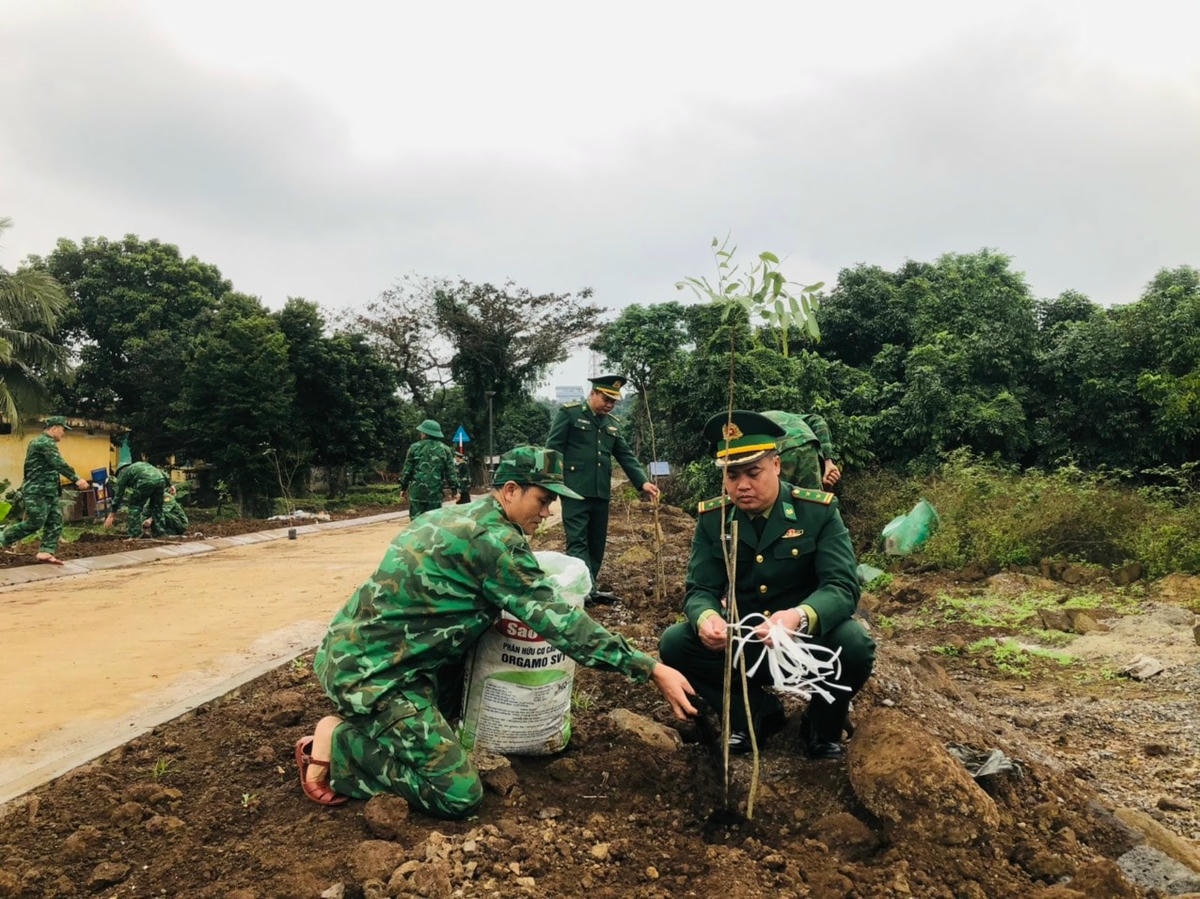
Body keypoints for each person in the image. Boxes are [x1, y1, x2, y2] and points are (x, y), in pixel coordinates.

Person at [298, 445, 696, 816]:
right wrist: (650, 668)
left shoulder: (446, 516)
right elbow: (565, 625)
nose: (547, 512)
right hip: (378, 677)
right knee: (458, 795)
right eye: (542, 500)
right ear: (510, 490)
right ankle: (340, 750)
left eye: (552, 503)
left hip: (356, 654)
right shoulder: (496, 543)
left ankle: (387, 731)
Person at [658, 410, 875, 759]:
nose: (742, 485)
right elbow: (699, 589)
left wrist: (799, 617)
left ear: (776, 464)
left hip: (803, 643)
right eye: (732, 475)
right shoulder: (715, 519)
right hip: (747, 643)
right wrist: (706, 619)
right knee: (675, 643)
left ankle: (822, 725)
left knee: (854, 643)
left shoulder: (816, 512)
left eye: (753, 473)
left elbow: (842, 586)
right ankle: (755, 714)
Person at [545, 375, 661, 603]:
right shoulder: (570, 414)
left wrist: (643, 482)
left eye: (613, 401)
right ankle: (583, 590)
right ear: (593, 393)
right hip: (574, 491)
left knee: (597, 543)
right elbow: (552, 449)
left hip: (600, 493)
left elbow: (625, 455)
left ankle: (591, 587)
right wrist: (547, 485)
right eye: (606, 399)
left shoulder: (612, 425)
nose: (610, 404)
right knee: (578, 542)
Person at [0, 415, 91, 564]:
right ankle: (2, 538)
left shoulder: (46, 443)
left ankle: (45, 552)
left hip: (49, 492)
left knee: (55, 521)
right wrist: (77, 479)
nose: (63, 433)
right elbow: (58, 463)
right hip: (37, 491)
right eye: (62, 429)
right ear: (54, 428)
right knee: (36, 522)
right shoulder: (43, 443)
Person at [763, 410, 842, 490]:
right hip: (808, 444)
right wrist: (827, 461)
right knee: (811, 498)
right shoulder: (782, 416)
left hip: (781, 452)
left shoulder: (753, 422)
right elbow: (818, 421)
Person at [398, 419, 457, 518]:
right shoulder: (445, 449)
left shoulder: (414, 447)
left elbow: (407, 471)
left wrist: (403, 488)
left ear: (425, 433)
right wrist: (455, 490)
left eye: (421, 432)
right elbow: (451, 472)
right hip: (435, 494)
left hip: (417, 494)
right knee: (433, 523)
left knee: (416, 524)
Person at [103, 461, 173, 537]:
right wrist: (171, 485)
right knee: (157, 507)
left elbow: (119, 494)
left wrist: (112, 514)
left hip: (145, 482)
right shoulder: (142, 465)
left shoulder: (124, 472)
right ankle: (160, 533)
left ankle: (135, 535)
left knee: (134, 507)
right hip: (160, 480)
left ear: (120, 471)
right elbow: (160, 472)